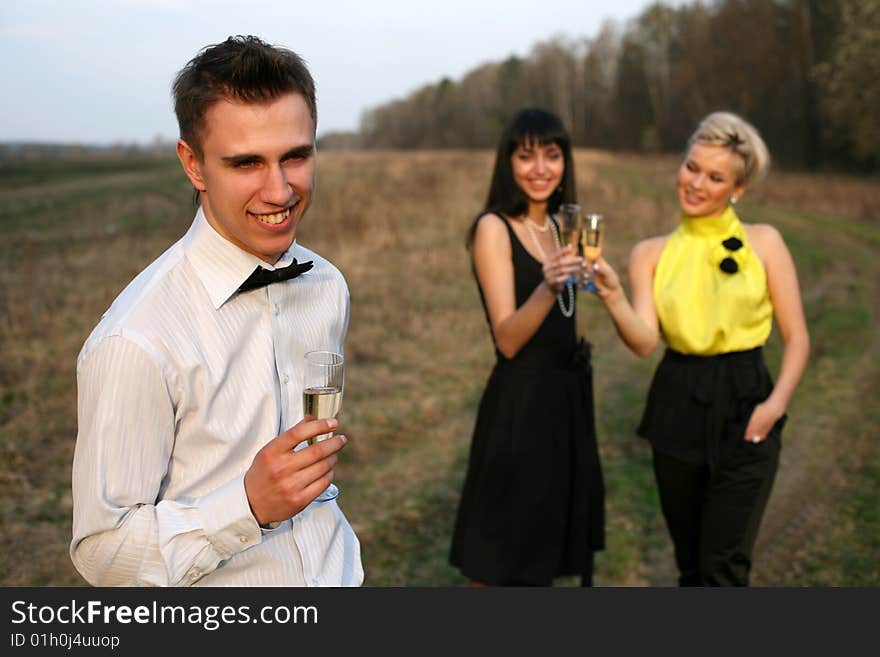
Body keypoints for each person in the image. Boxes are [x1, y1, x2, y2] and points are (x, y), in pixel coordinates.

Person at [70, 36, 363, 586]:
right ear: (194, 165)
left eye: (295, 156)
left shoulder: (327, 285)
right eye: (247, 162)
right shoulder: (135, 341)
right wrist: (247, 507)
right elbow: (102, 555)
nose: (280, 190)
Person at [593, 111, 810, 586]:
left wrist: (775, 406)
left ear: (737, 190)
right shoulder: (649, 254)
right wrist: (612, 296)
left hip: (746, 400)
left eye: (715, 177)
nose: (696, 183)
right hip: (677, 401)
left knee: (722, 566)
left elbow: (797, 338)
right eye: (692, 167)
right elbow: (645, 342)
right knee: (692, 566)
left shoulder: (765, 242)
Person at [449, 108, 605, 586]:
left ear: (566, 163)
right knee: (499, 561)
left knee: (545, 555)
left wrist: (599, 285)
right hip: (520, 407)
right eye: (526, 156)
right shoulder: (493, 228)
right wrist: (549, 286)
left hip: (565, 404)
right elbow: (508, 339)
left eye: (552, 156)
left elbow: (571, 318)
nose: (540, 169)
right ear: (508, 163)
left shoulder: (564, 226)